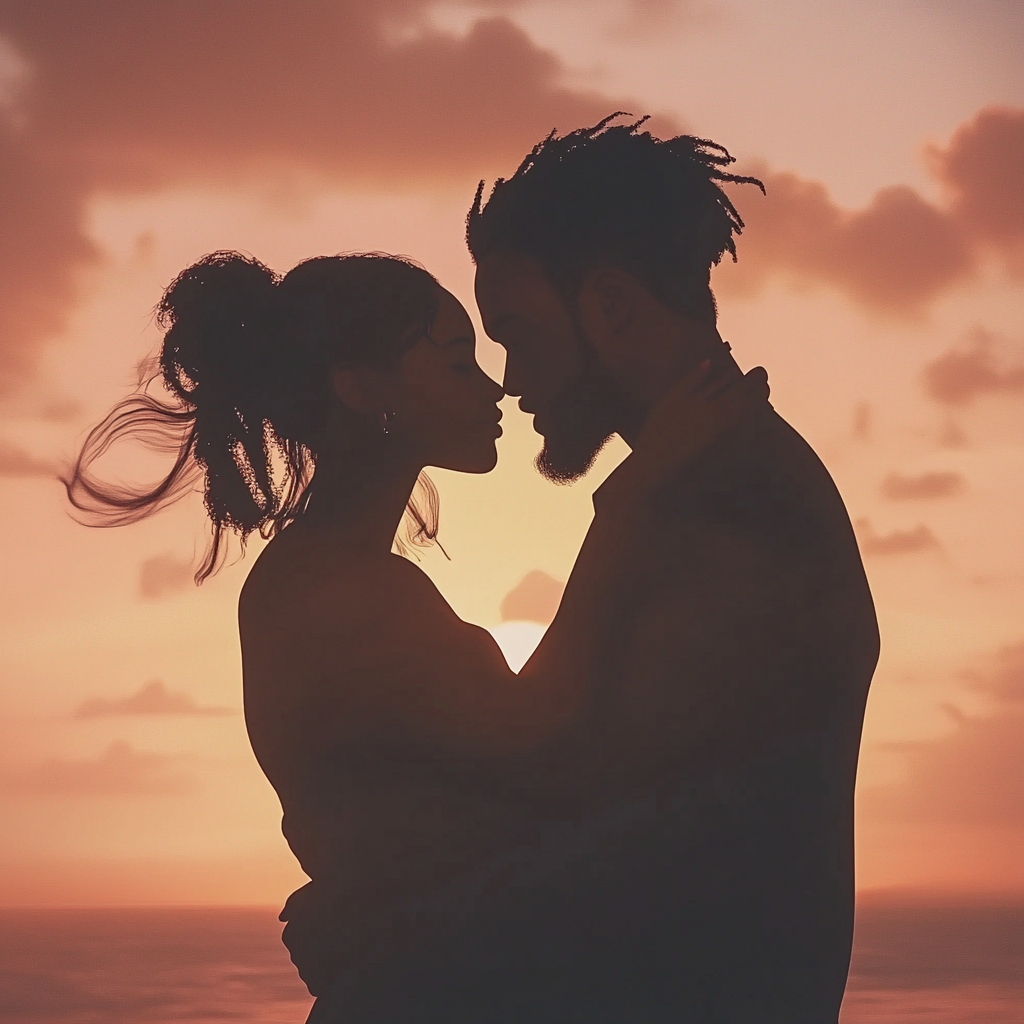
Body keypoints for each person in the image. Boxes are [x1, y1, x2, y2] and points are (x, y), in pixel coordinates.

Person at [62, 248, 771, 1022]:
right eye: (459, 361)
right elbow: (549, 734)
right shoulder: (336, 591)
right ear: (360, 387)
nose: (495, 385)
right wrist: (639, 494)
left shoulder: (339, 575)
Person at [424, 113, 878, 1022]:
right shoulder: (710, 480)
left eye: (514, 333)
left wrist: (384, 916)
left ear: (613, 307)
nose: (511, 380)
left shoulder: (729, 501)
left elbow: (566, 791)